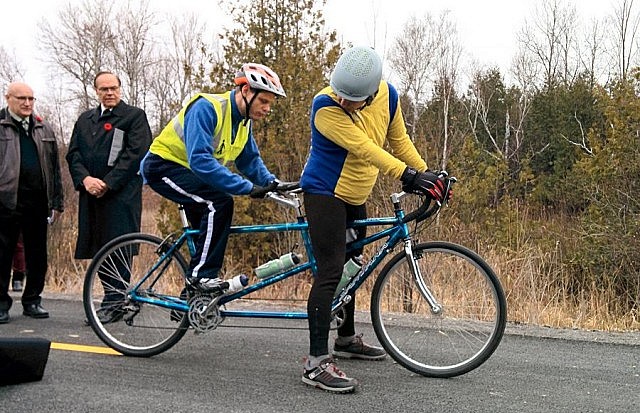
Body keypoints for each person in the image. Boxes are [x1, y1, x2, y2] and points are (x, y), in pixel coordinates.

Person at [299, 46, 450, 393]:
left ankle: (347, 338)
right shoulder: (324, 106)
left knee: (356, 265)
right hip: (325, 194)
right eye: (341, 94)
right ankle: (315, 363)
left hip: (355, 195)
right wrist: (409, 177)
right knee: (332, 270)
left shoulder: (389, 96)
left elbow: (399, 140)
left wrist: (428, 176)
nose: (344, 101)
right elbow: (365, 147)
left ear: (371, 93)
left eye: (353, 99)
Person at [140, 63, 286, 292]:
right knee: (219, 202)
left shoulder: (243, 122)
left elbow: (249, 160)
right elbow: (200, 160)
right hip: (163, 166)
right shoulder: (208, 108)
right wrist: (246, 187)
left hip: (191, 174)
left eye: (270, 104)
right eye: (264, 101)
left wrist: (272, 183)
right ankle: (201, 279)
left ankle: (190, 299)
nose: (267, 109)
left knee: (207, 232)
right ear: (246, 90)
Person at [66, 71, 152, 323]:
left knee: (119, 248)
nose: (109, 92)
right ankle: (111, 300)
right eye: (104, 89)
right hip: (91, 195)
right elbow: (73, 155)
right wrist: (85, 180)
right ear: (96, 91)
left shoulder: (133, 117)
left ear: (120, 88)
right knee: (99, 248)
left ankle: (117, 302)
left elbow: (135, 154)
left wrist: (107, 183)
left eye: (113, 88)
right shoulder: (85, 120)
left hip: (120, 196)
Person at [0, 82, 64, 324]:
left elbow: (55, 169)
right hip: (6, 202)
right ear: (8, 98)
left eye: (31, 98)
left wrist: (57, 201)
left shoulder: (43, 128)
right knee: (3, 254)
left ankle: (32, 301)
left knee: (37, 255)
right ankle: (1, 303)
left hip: (37, 202)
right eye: (21, 98)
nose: (27, 103)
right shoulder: (2, 125)